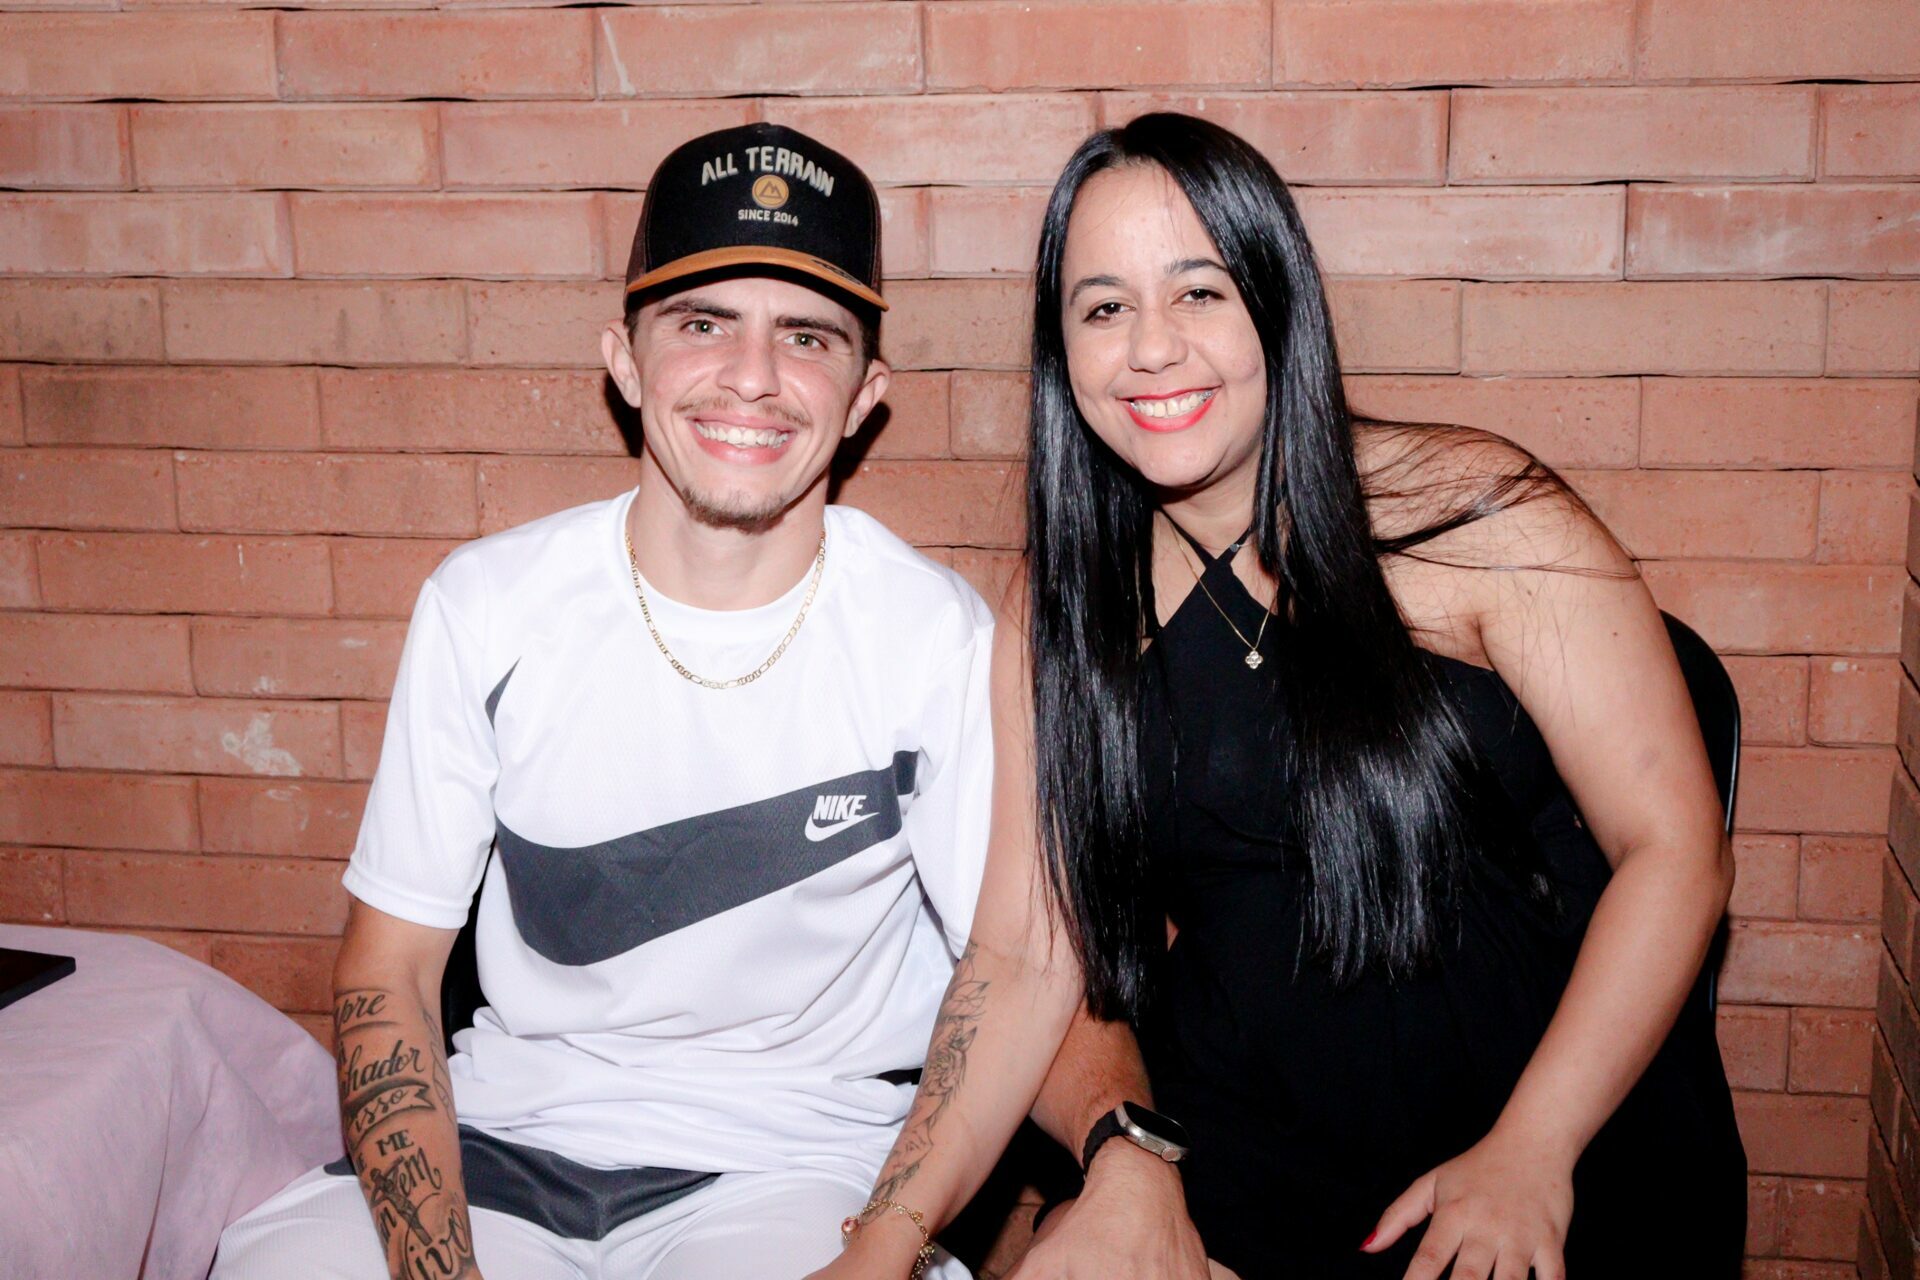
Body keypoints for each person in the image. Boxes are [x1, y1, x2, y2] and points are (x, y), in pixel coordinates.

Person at [815, 112, 1746, 1280]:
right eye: (1103, 308)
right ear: (1063, 352)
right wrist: (881, 1244)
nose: (1152, 348)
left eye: (1198, 292)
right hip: (1253, 1147)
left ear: (1277, 301)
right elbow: (1022, 953)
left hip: (1548, 1126)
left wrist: (1534, 1148)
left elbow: (1675, 848)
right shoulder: (1060, 608)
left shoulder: (1468, 512)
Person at [212, 122, 991, 1280]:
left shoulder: (933, 636)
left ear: (865, 393)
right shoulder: (489, 605)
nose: (753, 375)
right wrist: (438, 1270)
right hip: (504, 1141)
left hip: (792, 1167)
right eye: (701, 323)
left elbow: (1013, 972)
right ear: (624, 361)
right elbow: (389, 971)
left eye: (807, 335)